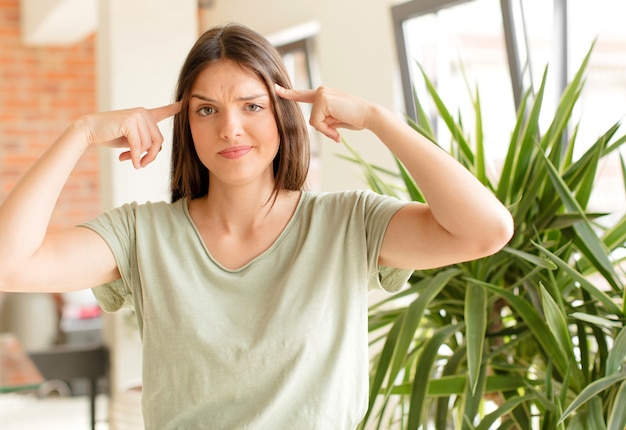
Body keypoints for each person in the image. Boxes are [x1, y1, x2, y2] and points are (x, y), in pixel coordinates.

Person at [0, 23, 513, 429]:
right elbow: (9, 265)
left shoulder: (346, 222)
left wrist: (380, 119)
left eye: (252, 105)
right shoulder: (141, 235)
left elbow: (485, 231)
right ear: (188, 127)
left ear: (283, 113)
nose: (230, 128)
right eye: (207, 110)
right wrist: (80, 132)